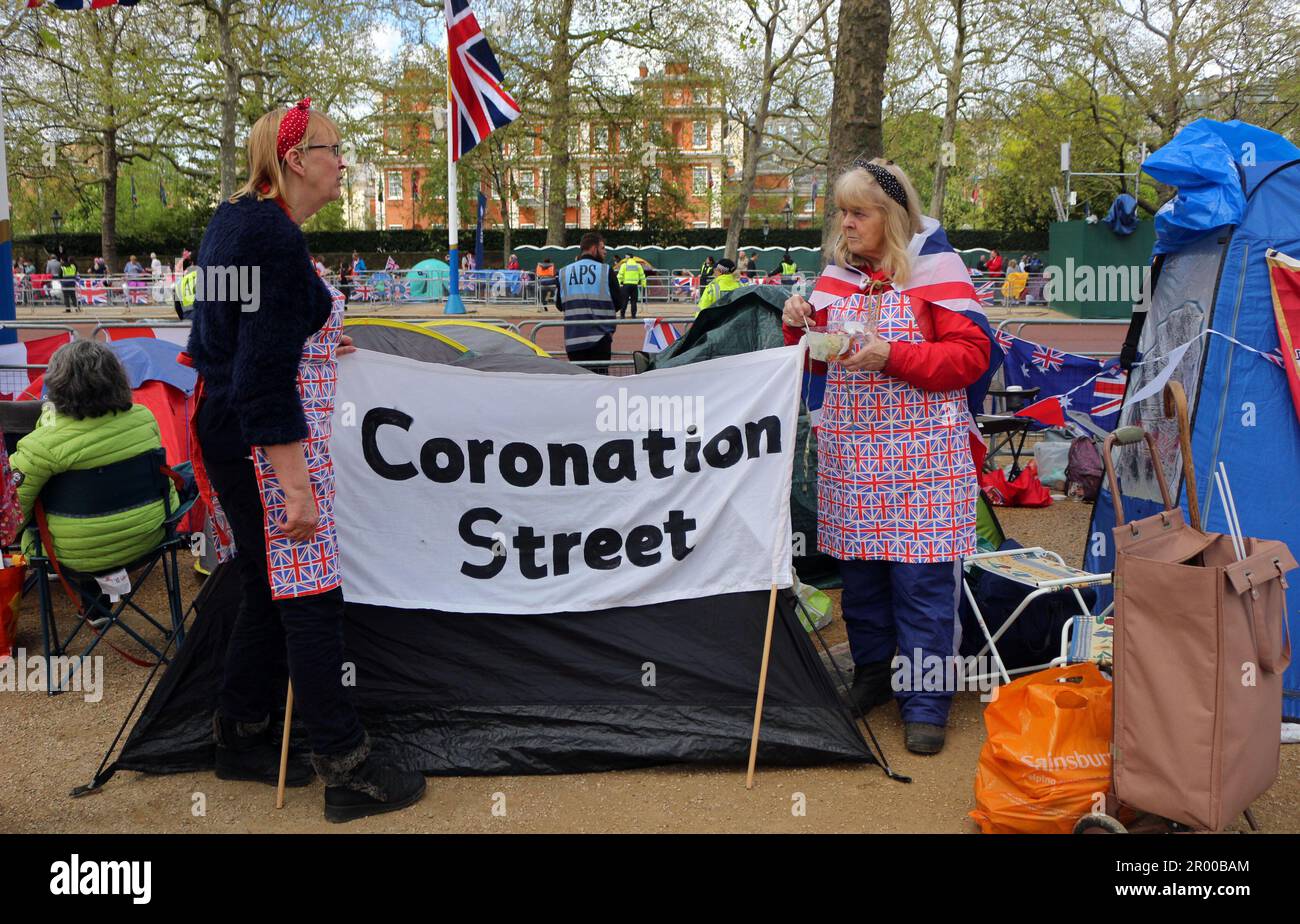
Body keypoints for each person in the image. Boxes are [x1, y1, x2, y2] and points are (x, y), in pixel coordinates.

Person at [187, 98, 426, 822]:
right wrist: (296, 486)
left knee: (266, 583)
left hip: (226, 427)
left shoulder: (233, 221)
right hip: (267, 439)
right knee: (311, 593)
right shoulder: (274, 240)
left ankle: (240, 735)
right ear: (295, 160)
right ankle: (347, 767)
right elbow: (259, 373)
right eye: (333, 148)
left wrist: (314, 341)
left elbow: (225, 334)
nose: (342, 161)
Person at [781, 158, 989, 755]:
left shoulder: (937, 271)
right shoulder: (837, 278)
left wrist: (892, 357)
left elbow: (971, 358)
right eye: (841, 212)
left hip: (923, 460)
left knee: (922, 585)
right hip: (853, 457)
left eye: (858, 213)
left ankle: (925, 702)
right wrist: (799, 326)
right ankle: (874, 673)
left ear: (891, 217)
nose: (845, 224)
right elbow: (816, 361)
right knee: (863, 579)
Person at [11, 340, 179, 575]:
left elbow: (11, 515)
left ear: (57, 385)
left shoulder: (40, 445)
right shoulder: (145, 418)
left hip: (72, 555)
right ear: (117, 377)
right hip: (147, 540)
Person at [555, 231, 625, 374]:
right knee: (600, 381)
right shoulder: (606, 271)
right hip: (601, 338)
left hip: (573, 339)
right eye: (603, 248)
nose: (605, 252)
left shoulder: (563, 272)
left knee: (580, 382)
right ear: (593, 249)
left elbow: (559, 305)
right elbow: (619, 302)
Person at [616, 254, 646, 319]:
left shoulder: (624, 265)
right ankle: (633, 316)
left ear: (628, 258)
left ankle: (622, 315)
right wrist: (644, 284)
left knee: (624, 301)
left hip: (626, 286)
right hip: (634, 286)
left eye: (626, 257)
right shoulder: (638, 266)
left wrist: (617, 284)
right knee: (634, 302)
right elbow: (642, 276)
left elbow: (620, 276)